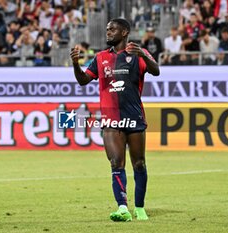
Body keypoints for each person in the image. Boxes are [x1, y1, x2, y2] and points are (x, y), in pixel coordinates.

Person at [70, 18, 160, 222]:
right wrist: (76, 65)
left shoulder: (138, 53)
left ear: (125, 32)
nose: (108, 32)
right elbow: (84, 80)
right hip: (111, 120)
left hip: (134, 118)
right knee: (115, 162)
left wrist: (143, 54)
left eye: (112, 29)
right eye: (107, 29)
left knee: (139, 164)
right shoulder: (100, 57)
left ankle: (140, 207)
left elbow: (156, 71)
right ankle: (122, 208)